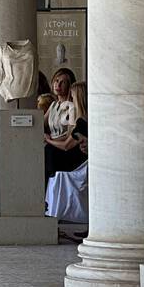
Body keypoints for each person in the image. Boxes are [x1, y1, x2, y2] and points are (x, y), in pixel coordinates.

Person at [45, 81, 89, 236]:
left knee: (49, 152)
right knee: (49, 152)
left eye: (73, 97)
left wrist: (48, 139)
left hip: (77, 162)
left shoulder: (82, 121)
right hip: (81, 158)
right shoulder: (83, 119)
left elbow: (66, 146)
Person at [43, 66, 84, 178]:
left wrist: (49, 140)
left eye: (63, 82)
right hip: (52, 143)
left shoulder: (72, 107)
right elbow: (41, 123)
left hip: (64, 148)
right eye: (56, 81)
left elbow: (69, 135)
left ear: (70, 86)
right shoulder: (53, 105)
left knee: (49, 151)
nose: (58, 85)